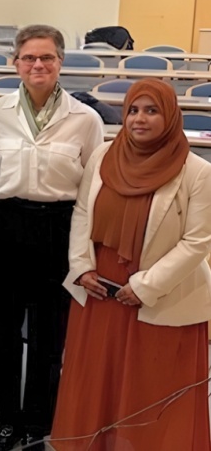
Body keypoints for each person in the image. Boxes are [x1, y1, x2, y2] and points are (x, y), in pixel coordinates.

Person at [51, 78, 211, 451]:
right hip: (100, 289)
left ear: (170, 115)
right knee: (99, 382)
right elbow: (82, 214)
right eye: (133, 111)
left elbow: (197, 241)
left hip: (160, 294)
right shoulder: (104, 155)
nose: (140, 119)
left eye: (151, 110)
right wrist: (82, 268)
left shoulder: (196, 171)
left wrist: (144, 287)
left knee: (150, 386)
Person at [0, 24, 104, 451]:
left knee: (50, 334)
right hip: (3, 225)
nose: (38, 65)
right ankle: (7, 419)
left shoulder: (86, 119)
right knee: (1, 331)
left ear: (61, 63)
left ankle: (38, 420)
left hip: (58, 228)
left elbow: (90, 190)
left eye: (47, 57)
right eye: (29, 57)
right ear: (15, 62)